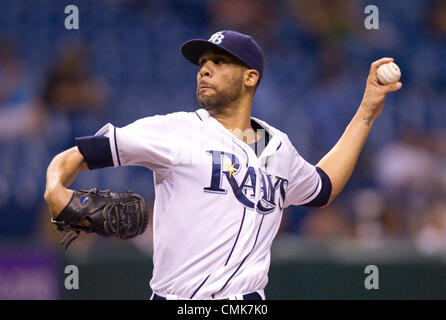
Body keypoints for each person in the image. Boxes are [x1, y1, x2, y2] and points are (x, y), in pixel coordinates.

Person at [44, 30, 402, 300]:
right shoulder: (173, 130)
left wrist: (367, 112)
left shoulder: (277, 146)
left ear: (251, 77)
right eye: (202, 64)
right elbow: (72, 158)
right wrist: (56, 191)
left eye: (219, 62)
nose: (205, 70)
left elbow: (323, 186)